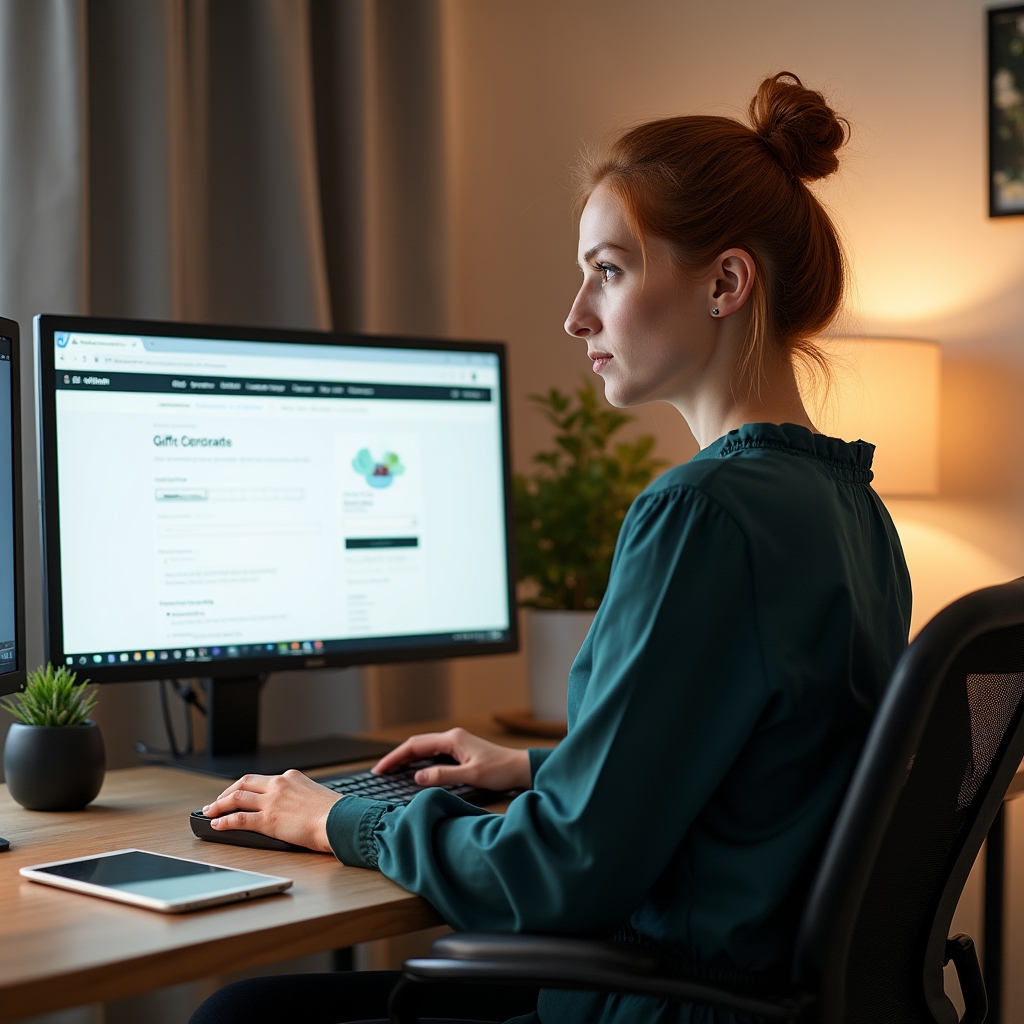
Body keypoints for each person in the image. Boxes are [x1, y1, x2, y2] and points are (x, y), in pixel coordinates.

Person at [190, 72, 911, 1024]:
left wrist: (341, 816)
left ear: (727, 283)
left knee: (244, 1016)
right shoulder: (854, 512)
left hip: (664, 1003)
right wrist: (541, 770)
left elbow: (560, 874)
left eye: (608, 270)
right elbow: (771, 771)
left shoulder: (700, 515)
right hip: (752, 991)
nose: (576, 315)